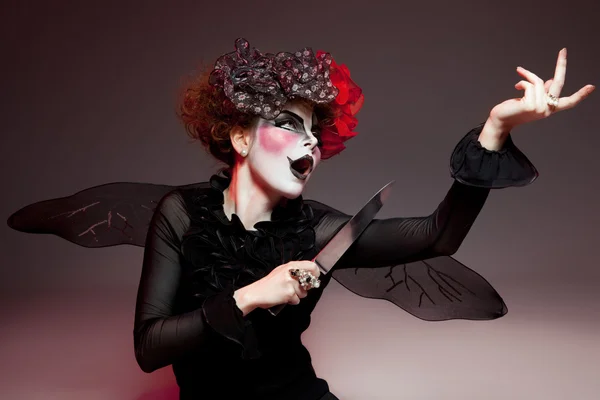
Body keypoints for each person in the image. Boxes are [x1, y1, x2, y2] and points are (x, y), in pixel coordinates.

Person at [6, 38, 594, 399]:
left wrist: (495, 130)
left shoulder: (318, 230)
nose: (307, 144)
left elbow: (438, 236)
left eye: (313, 132)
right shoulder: (179, 214)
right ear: (239, 137)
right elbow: (149, 347)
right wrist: (252, 295)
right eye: (288, 125)